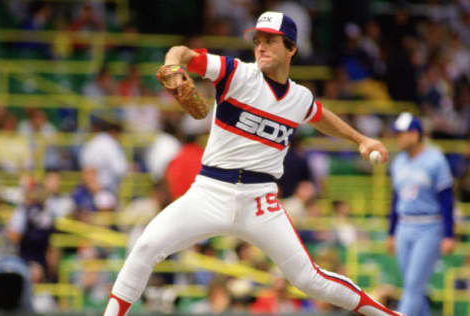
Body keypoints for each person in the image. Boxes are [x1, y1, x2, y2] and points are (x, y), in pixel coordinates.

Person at [104, 11, 402, 316]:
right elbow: (183, 53)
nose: (261, 46)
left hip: (260, 200)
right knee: (145, 247)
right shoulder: (236, 72)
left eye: (270, 41)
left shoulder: (299, 97)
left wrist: (360, 139)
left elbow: (320, 115)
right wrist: (172, 64)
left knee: (309, 279)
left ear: (291, 49)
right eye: (258, 40)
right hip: (210, 191)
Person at [386, 112, 455, 316]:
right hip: (404, 226)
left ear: (415, 134)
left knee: (413, 286)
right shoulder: (398, 162)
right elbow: (396, 200)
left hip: (429, 225)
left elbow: (447, 199)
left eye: (401, 133)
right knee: (412, 285)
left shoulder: (435, 159)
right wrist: (391, 232)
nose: (397, 137)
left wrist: (448, 234)